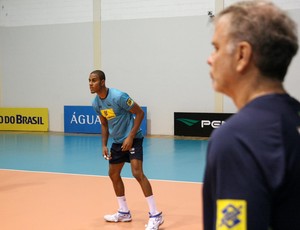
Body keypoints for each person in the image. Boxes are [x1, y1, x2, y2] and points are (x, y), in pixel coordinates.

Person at [204, 1, 300, 230]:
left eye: (216, 48)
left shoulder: (238, 138)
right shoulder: (292, 118)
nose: (210, 58)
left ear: (242, 55)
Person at [89, 70, 163, 230]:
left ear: (102, 82)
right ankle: (124, 212)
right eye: (89, 80)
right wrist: (104, 144)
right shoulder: (96, 103)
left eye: (94, 80)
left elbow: (139, 113)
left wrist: (130, 137)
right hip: (117, 142)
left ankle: (155, 215)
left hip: (133, 138)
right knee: (113, 174)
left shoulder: (118, 96)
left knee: (137, 173)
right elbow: (103, 124)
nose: (90, 83)